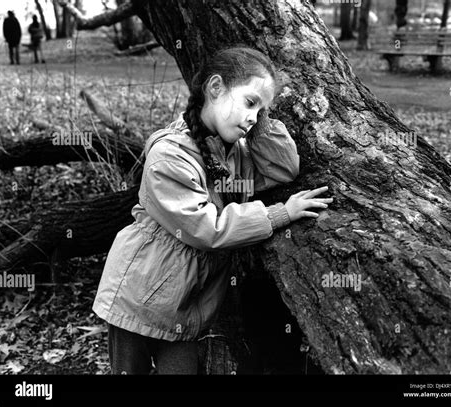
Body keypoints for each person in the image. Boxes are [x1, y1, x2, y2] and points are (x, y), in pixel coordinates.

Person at [92, 46, 334, 375]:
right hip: (139, 297)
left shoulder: (232, 152)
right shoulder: (170, 154)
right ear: (215, 88)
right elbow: (208, 229)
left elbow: (282, 170)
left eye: (262, 111)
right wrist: (281, 214)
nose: (253, 116)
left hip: (186, 305)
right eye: (250, 102)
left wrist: (259, 121)